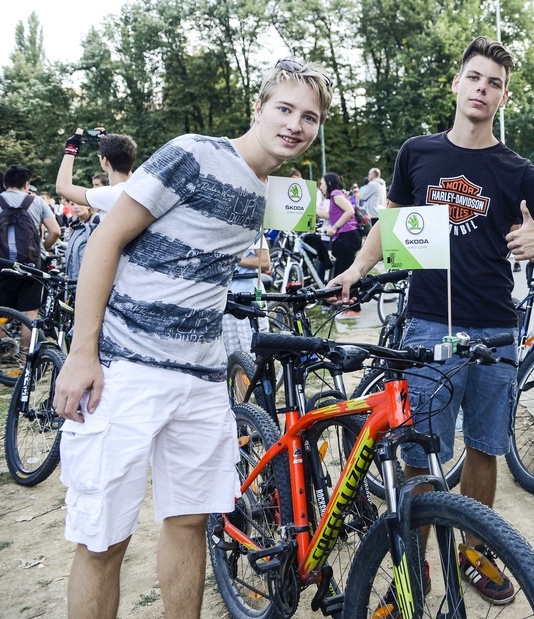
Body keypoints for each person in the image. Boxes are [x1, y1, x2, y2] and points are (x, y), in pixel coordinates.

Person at [52, 58, 332, 619]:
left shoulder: (268, 189)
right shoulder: (194, 152)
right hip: (128, 369)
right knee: (104, 539)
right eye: (284, 109)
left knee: (189, 523)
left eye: (310, 117)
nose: (296, 125)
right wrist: (83, 352)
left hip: (202, 381)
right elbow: (107, 239)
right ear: (257, 107)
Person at [329, 36, 534, 603]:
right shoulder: (417, 153)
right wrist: (354, 268)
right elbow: (389, 223)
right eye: (475, 78)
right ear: (457, 82)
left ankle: (474, 548)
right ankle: (414, 564)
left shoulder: (517, 170)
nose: (483, 89)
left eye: (494, 83)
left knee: (485, 447)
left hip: (495, 328)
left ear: (503, 96)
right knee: (422, 450)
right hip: (427, 324)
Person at [0, 165, 62, 321]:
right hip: (32, 263)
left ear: (5, 184)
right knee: (29, 312)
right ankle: (27, 346)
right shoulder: (37, 201)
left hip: (3, 264)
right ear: (26, 184)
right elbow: (55, 231)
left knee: (2, 313)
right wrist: (42, 249)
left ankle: (5, 346)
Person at [55, 129, 138, 216]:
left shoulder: (110, 194)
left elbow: (62, 188)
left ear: (105, 161)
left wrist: (71, 148)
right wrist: (110, 145)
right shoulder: (137, 186)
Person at [320, 171, 362, 317]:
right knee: (340, 272)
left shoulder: (335, 194)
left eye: (322, 183)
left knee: (348, 273)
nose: (320, 186)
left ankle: (355, 309)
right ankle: (343, 305)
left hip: (347, 236)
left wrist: (335, 227)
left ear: (329, 183)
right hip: (345, 237)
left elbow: (349, 211)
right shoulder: (336, 196)